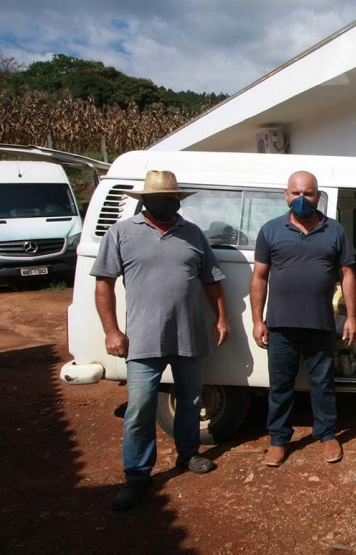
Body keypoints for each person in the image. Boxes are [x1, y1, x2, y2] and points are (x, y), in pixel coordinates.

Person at [92, 170, 230, 511]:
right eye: (160, 199)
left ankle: (188, 455)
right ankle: (136, 476)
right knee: (139, 408)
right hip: (142, 339)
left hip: (189, 336)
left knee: (190, 400)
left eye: (172, 199)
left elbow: (212, 280)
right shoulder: (122, 233)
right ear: (145, 201)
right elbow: (103, 285)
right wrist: (111, 331)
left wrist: (222, 316)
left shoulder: (193, 234)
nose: (167, 204)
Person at [250, 170, 356, 467]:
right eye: (296, 193)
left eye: (308, 193)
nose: (301, 199)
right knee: (280, 385)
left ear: (317, 196)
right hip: (280, 324)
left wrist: (352, 317)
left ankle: (326, 435)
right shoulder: (271, 230)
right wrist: (258, 320)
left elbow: (347, 274)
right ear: (286, 195)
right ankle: (278, 440)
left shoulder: (334, 230)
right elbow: (259, 277)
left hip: (319, 323)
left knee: (322, 382)